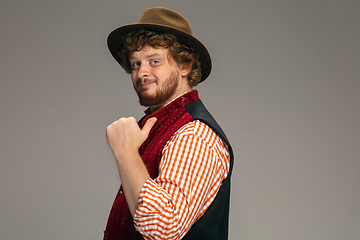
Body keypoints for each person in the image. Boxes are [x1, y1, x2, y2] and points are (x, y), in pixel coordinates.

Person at [103, 7, 234, 240]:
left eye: (154, 61)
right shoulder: (155, 127)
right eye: (135, 64)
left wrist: (126, 153)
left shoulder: (194, 134)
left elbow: (162, 229)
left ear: (185, 65)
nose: (142, 72)